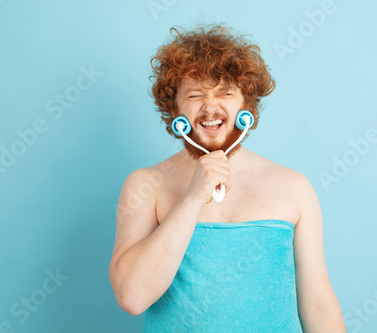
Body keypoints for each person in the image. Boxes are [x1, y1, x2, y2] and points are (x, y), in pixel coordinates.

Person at [109, 22, 346, 332]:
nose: (210, 107)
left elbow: (317, 303)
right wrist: (193, 198)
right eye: (195, 95)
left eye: (224, 93)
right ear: (174, 109)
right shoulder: (144, 185)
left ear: (245, 106)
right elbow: (133, 297)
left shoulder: (294, 188)